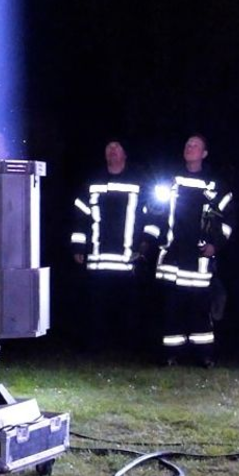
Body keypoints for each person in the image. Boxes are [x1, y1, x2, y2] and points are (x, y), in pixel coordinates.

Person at [143, 133, 234, 367]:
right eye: (187, 144)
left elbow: (228, 221)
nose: (189, 148)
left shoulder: (215, 186)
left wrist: (215, 246)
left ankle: (204, 355)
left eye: (195, 145)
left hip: (199, 258)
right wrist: (148, 240)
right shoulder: (170, 183)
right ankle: (171, 355)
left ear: (204, 154)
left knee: (200, 309)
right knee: (171, 308)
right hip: (172, 256)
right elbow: (154, 214)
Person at [70, 138, 151, 353]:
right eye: (109, 148)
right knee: (96, 307)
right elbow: (80, 215)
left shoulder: (139, 181)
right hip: (97, 259)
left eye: (117, 148)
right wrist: (78, 247)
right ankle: (96, 347)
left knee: (128, 308)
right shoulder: (93, 180)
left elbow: (152, 216)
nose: (112, 151)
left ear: (125, 154)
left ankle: (127, 349)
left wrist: (145, 243)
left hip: (128, 260)